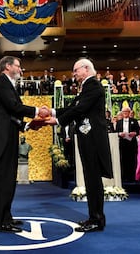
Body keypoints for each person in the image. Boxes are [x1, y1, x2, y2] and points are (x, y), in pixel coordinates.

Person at [45, 58, 113, 233]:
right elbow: (73, 107)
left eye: (76, 70)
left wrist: (57, 120)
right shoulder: (87, 87)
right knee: (91, 179)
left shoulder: (93, 85)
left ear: (86, 69)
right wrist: (51, 112)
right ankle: (95, 217)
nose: (74, 74)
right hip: (87, 139)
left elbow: (79, 109)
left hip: (92, 140)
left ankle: (96, 219)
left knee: (93, 180)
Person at [0, 55, 49, 233]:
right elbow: (13, 107)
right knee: (3, 180)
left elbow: (11, 114)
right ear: (7, 66)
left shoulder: (7, 83)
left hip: (10, 135)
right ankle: (0, 222)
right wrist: (38, 111)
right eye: (18, 66)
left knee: (9, 179)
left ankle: (6, 217)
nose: (21, 70)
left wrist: (27, 125)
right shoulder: (1, 82)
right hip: (3, 138)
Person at [115, 107, 140, 182]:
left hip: (131, 143)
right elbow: (116, 131)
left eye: (126, 111)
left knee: (132, 159)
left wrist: (134, 133)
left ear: (129, 112)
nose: (125, 113)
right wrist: (120, 134)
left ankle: (132, 177)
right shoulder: (119, 122)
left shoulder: (134, 121)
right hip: (123, 143)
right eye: (124, 112)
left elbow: (138, 131)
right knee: (123, 159)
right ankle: (123, 176)